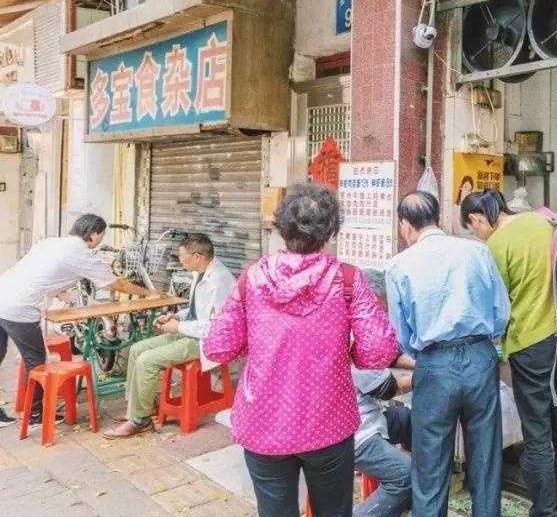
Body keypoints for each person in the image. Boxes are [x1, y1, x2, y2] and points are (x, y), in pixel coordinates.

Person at [203, 183, 399, 517]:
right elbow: (379, 351)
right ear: (330, 231)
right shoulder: (348, 279)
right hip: (328, 422)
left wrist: (257, 344)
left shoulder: (251, 278)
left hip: (264, 423)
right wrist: (350, 352)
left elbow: (218, 346)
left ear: (281, 227)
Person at [461, 189, 557, 517]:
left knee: (538, 436)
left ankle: (546, 511)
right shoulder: (542, 220)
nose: (476, 233)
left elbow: (493, 309)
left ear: (477, 219)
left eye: (473, 227)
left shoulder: (495, 247)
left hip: (533, 346)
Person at [386, 191, 510, 517]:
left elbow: (401, 336)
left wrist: (427, 353)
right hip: (481, 358)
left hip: (434, 363)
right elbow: (501, 312)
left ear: (405, 225)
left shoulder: (399, 266)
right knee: (485, 460)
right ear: (438, 217)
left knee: (430, 465)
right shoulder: (477, 251)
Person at [0, 214, 156, 428]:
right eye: (101, 235)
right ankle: (35, 416)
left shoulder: (51, 242)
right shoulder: (83, 254)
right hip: (19, 308)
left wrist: (64, 294)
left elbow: (43, 274)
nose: (100, 240)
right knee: (35, 362)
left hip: (3, 291)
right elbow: (116, 283)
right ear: (93, 235)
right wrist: (148, 294)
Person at [104, 233, 235, 438]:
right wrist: (175, 316)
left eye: (183, 257)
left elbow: (214, 327)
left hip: (207, 341)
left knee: (147, 361)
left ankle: (141, 420)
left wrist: (178, 327)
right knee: (136, 349)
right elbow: (196, 312)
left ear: (198, 256)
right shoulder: (200, 273)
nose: (180, 261)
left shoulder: (219, 281)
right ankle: (136, 409)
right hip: (191, 331)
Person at [352, 360, 415, 517]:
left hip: (370, 417)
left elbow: (392, 354)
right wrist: (427, 371)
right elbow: (390, 388)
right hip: (356, 434)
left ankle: (414, 503)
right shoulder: (357, 354)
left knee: (410, 419)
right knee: (406, 475)